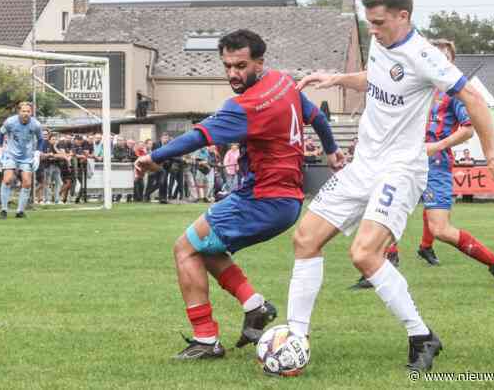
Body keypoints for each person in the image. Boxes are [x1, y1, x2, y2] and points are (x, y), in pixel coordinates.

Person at [286, 0, 494, 372]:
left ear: (403, 16)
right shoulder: (382, 42)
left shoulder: (424, 54)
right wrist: (337, 78)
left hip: (401, 168)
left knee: (364, 253)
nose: (372, 30)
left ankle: (421, 335)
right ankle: (295, 338)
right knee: (305, 239)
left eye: (378, 23)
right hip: (364, 165)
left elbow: (472, 98)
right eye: (369, 23)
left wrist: (492, 156)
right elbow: (377, 78)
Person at [135, 29, 340, 360]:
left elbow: (198, 136)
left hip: (262, 199)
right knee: (206, 248)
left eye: (241, 65)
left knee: (185, 248)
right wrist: (331, 152)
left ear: (259, 62)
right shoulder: (283, 82)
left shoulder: (247, 105)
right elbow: (316, 116)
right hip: (285, 200)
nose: (233, 73)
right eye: (227, 65)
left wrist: (153, 158)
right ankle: (254, 306)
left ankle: (206, 341)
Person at [352, 38, 494, 289]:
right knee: (381, 207)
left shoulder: (454, 95)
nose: (439, 59)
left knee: (440, 229)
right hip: (404, 161)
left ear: (450, 63)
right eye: (435, 54)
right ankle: (387, 258)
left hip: (435, 164)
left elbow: (468, 129)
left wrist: (436, 147)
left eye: (445, 56)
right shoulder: (413, 86)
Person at [0, 102, 44, 219]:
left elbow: (41, 140)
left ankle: (20, 211)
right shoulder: (10, 122)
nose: (26, 113)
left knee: (27, 183)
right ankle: (3, 209)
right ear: (19, 112)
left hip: (26, 157)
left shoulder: (36, 125)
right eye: (23, 111)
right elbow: (1, 134)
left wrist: (37, 154)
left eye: (28, 111)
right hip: (11, 155)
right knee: (7, 179)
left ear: (31, 112)